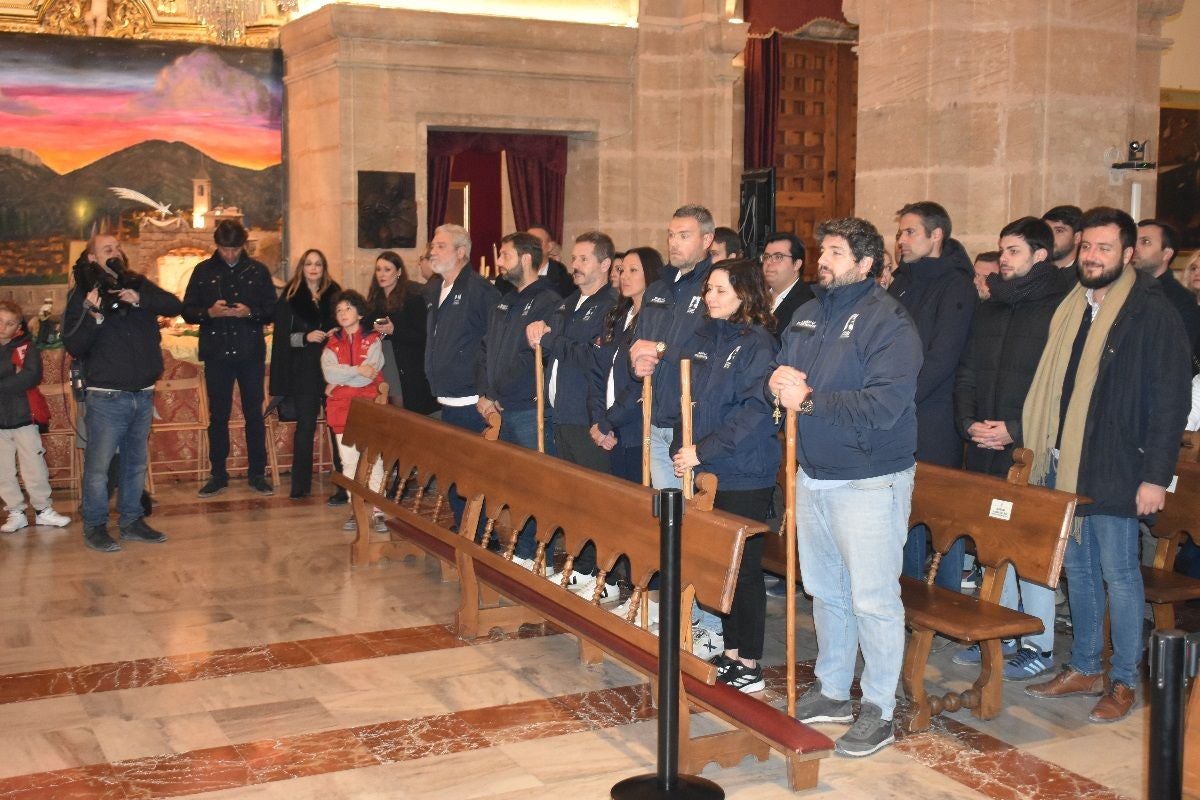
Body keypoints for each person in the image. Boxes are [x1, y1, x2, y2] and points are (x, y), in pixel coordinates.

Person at [1023, 207, 1190, 723]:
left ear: (1128, 253)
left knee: (1119, 570)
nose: (1093, 257)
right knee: (1077, 567)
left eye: (1105, 248)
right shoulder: (1073, 304)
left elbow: (1170, 402)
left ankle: (1121, 681)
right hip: (1066, 461)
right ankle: (1086, 666)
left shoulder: (1150, 311)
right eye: (1089, 248)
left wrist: (1155, 477)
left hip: (1120, 462)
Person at [769, 216, 922, 758]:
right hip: (814, 475)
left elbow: (883, 407)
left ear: (865, 263)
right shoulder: (808, 316)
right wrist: (778, 384)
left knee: (874, 597)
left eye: (835, 252)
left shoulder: (890, 324)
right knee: (826, 591)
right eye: (822, 250)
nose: (823, 260)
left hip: (869, 480)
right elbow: (785, 375)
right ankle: (834, 689)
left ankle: (879, 705)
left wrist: (806, 400)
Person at [951, 217, 1067, 679]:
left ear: (1041, 255)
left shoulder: (1061, 308)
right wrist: (968, 423)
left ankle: (1038, 644)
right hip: (984, 443)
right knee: (993, 546)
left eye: (1014, 250)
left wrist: (1016, 429)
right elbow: (967, 372)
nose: (1004, 258)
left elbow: (1063, 387)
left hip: (1031, 450)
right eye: (1002, 250)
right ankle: (994, 632)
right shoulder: (991, 307)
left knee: (1029, 547)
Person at [670, 259, 780, 693]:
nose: (709, 298)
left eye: (719, 290)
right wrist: (685, 447)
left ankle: (749, 660)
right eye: (708, 290)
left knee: (745, 567)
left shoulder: (758, 344)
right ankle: (731, 650)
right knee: (721, 563)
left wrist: (703, 451)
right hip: (707, 465)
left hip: (742, 470)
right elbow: (687, 400)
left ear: (744, 295)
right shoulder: (702, 337)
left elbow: (754, 412)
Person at [63, 232, 182, 553]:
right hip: (106, 396)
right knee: (99, 468)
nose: (115, 252)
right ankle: (95, 526)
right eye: (107, 249)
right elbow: (74, 344)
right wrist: (93, 313)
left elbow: (175, 305)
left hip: (142, 393)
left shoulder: (137, 284)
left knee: (134, 464)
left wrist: (139, 299)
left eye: (117, 248)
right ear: (92, 258)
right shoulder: (82, 295)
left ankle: (131, 521)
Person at [889, 201, 976, 591]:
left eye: (910, 232)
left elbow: (943, 355)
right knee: (905, 512)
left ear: (936, 234)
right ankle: (907, 593)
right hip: (900, 410)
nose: (901, 240)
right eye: (900, 232)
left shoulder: (955, 284)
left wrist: (898, 399)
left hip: (934, 414)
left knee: (941, 515)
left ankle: (947, 596)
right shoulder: (903, 280)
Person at [183, 220, 277, 498]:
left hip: (249, 352)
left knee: (254, 414)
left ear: (243, 245)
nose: (230, 255)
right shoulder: (203, 271)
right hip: (217, 352)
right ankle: (218, 474)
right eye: (225, 249)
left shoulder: (257, 270)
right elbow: (187, 310)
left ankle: (257, 473)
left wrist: (250, 313)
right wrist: (209, 312)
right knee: (219, 415)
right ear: (217, 245)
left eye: (235, 249)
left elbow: (272, 309)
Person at [527, 230, 618, 472]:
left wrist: (549, 339)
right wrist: (537, 337)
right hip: (559, 414)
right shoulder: (566, 303)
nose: (575, 265)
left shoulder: (612, 306)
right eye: (574, 258)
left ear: (605, 264)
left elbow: (593, 357)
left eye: (584, 259)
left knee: (594, 495)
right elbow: (550, 354)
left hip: (586, 418)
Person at [479, 232, 562, 452]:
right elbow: (486, 348)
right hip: (499, 407)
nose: (498, 262)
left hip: (527, 410)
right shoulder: (506, 301)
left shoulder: (547, 301)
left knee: (537, 478)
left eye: (505, 255)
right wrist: (485, 393)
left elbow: (532, 357)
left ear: (525, 258)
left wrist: (495, 393)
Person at [269, 249, 340, 500]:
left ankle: (344, 484)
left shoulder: (335, 294)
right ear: (302, 267)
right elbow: (281, 339)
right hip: (304, 370)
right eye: (309, 263)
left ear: (324, 268)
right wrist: (305, 337)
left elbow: (347, 325)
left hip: (333, 369)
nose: (313, 268)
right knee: (306, 426)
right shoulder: (289, 296)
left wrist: (335, 334)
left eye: (318, 264)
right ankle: (300, 486)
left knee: (338, 427)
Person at [593, 246, 664, 483]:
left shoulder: (654, 321)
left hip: (635, 427)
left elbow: (640, 384)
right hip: (611, 427)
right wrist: (599, 419)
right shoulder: (618, 316)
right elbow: (599, 371)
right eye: (622, 270)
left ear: (651, 274)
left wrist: (608, 421)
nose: (624, 276)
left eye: (634, 270)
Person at [0, 300, 70, 534]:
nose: (3, 327)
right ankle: (15, 511)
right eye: (0, 321)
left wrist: (13, 375)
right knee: (3, 469)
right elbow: (17, 377)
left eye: (9, 323)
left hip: (25, 415)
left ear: (17, 326)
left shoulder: (26, 347)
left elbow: (30, 377)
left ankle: (43, 510)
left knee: (34, 465)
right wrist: (11, 371)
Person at [322, 290, 387, 534]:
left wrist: (344, 377)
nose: (343, 313)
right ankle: (355, 507)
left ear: (359, 312)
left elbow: (370, 373)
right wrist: (357, 370)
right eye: (339, 310)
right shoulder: (332, 343)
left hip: (368, 406)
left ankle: (379, 509)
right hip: (341, 409)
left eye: (348, 308)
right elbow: (329, 373)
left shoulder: (373, 339)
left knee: (373, 458)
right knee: (348, 462)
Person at [424, 224, 501, 432]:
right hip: (446, 396)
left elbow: (495, 342)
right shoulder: (434, 289)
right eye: (432, 246)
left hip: (473, 400)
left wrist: (488, 393)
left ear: (460, 252)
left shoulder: (480, 290)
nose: (433, 252)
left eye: (441, 246)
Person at [367, 251, 437, 415]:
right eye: (378, 269)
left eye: (387, 269)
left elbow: (423, 336)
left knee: (408, 412)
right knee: (390, 411)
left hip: (409, 365)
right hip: (385, 362)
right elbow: (366, 323)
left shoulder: (413, 299)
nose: (381, 274)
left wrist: (394, 330)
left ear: (398, 272)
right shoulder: (376, 299)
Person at [1133, 218, 1200, 354]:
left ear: (1167, 254)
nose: (1135, 248)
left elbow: (1176, 357)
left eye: (1145, 242)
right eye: (1134, 242)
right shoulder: (1125, 289)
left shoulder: (1181, 301)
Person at [761, 232, 814, 339]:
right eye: (766, 257)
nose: (769, 263)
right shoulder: (756, 298)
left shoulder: (809, 303)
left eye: (778, 257)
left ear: (796, 264)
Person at [1042, 204, 1083, 291]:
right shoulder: (1033, 271)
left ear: (1077, 237)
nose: (1050, 236)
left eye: (1059, 230)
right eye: (1046, 230)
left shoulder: (1085, 278)